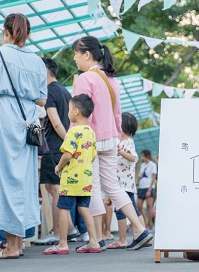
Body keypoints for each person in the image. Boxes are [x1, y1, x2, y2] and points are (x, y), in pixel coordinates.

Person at [0, 13, 47, 259]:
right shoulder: (38, 61)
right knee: (21, 179)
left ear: (6, 31)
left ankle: (11, 246)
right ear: (26, 35)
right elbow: (42, 98)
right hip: (27, 121)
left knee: (1, 178)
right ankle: (15, 244)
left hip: (2, 119)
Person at [72, 36, 153, 250]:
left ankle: (95, 239)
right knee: (113, 187)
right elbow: (117, 112)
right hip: (110, 139)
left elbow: (81, 114)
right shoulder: (111, 79)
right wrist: (116, 136)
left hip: (91, 140)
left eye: (76, 54)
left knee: (94, 188)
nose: (74, 59)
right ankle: (139, 228)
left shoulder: (85, 78)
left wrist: (74, 141)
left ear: (86, 54)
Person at [43, 94, 101, 255]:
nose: (67, 113)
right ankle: (94, 241)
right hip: (86, 178)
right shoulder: (91, 132)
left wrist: (59, 166)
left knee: (63, 208)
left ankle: (62, 243)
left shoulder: (73, 131)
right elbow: (93, 155)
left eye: (69, 110)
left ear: (76, 111)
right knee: (84, 208)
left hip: (71, 178)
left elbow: (68, 154)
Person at [34, 57, 79, 245]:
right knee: (56, 188)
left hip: (54, 145)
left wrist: (67, 141)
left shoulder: (49, 91)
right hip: (62, 146)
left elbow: (55, 121)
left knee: (54, 188)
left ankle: (57, 231)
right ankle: (69, 228)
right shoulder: (65, 91)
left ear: (45, 70)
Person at [108, 112, 146, 249]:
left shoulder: (127, 142)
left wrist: (121, 152)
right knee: (134, 210)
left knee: (121, 211)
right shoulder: (123, 142)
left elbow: (133, 158)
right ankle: (143, 234)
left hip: (124, 184)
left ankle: (123, 239)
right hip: (125, 184)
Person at [137, 150, 157, 229]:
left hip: (149, 187)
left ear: (147, 156)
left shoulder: (153, 165)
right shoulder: (142, 165)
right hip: (141, 186)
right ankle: (144, 222)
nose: (142, 158)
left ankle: (149, 224)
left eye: (143, 156)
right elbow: (139, 175)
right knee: (139, 206)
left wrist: (149, 189)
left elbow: (153, 177)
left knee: (149, 206)